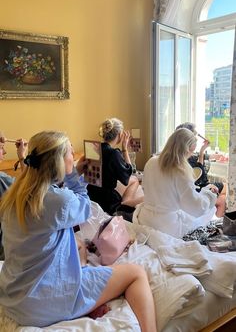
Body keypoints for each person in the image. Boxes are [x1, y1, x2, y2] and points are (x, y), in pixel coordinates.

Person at [0, 131, 157, 331]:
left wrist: (73, 175)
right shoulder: (58, 201)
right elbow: (84, 207)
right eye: (70, 153)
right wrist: (74, 176)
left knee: (79, 245)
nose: (73, 155)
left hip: (14, 297)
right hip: (42, 303)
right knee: (136, 272)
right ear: (58, 161)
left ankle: (87, 303)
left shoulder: (15, 195)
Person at [133, 128, 221, 239]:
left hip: (145, 219)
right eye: (192, 152)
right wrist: (208, 194)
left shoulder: (151, 161)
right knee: (210, 211)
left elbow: (145, 188)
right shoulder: (180, 170)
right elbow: (196, 208)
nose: (190, 156)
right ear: (186, 150)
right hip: (166, 226)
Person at [87, 118, 143, 217]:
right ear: (120, 135)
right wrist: (124, 148)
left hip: (91, 196)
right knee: (135, 182)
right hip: (107, 202)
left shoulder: (92, 148)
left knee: (132, 180)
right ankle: (125, 203)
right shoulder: (114, 153)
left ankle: (125, 202)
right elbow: (128, 174)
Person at [175, 122, 225, 194]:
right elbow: (201, 178)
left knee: (223, 194)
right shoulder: (185, 159)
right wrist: (202, 152)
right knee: (226, 190)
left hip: (198, 188)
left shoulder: (182, 155)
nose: (196, 140)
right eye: (194, 137)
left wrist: (202, 151)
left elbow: (198, 169)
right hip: (198, 190)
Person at [0, 133, 27, 260]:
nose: (4, 152)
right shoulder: (1, 180)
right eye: (1, 147)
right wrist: (22, 157)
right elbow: (28, 188)